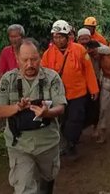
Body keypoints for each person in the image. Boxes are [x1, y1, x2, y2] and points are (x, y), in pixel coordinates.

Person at [0, 39, 65, 194]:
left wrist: (47, 113)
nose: (30, 64)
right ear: (17, 59)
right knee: (24, 186)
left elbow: (61, 106)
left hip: (47, 142)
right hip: (19, 145)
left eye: (34, 59)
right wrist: (17, 107)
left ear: (40, 57)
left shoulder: (51, 77)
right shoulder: (8, 79)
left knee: (49, 176)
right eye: (25, 60)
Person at [41, 20, 99, 158]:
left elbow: (88, 70)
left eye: (61, 36)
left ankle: (71, 143)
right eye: (55, 37)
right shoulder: (48, 54)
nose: (58, 39)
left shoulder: (79, 50)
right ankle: (67, 142)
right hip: (58, 95)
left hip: (78, 93)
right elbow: (43, 75)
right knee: (63, 120)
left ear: (68, 37)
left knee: (76, 119)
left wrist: (93, 89)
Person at [86, 40, 110, 143]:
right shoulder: (97, 59)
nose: (94, 56)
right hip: (105, 82)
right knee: (103, 107)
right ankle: (102, 132)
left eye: (94, 53)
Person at [0, 24, 24, 104]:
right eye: (11, 37)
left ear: (22, 37)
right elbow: (0, 73)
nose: (13, 39)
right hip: (11, 87)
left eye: (16, 36)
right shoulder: (6, 51)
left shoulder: (28, 49)